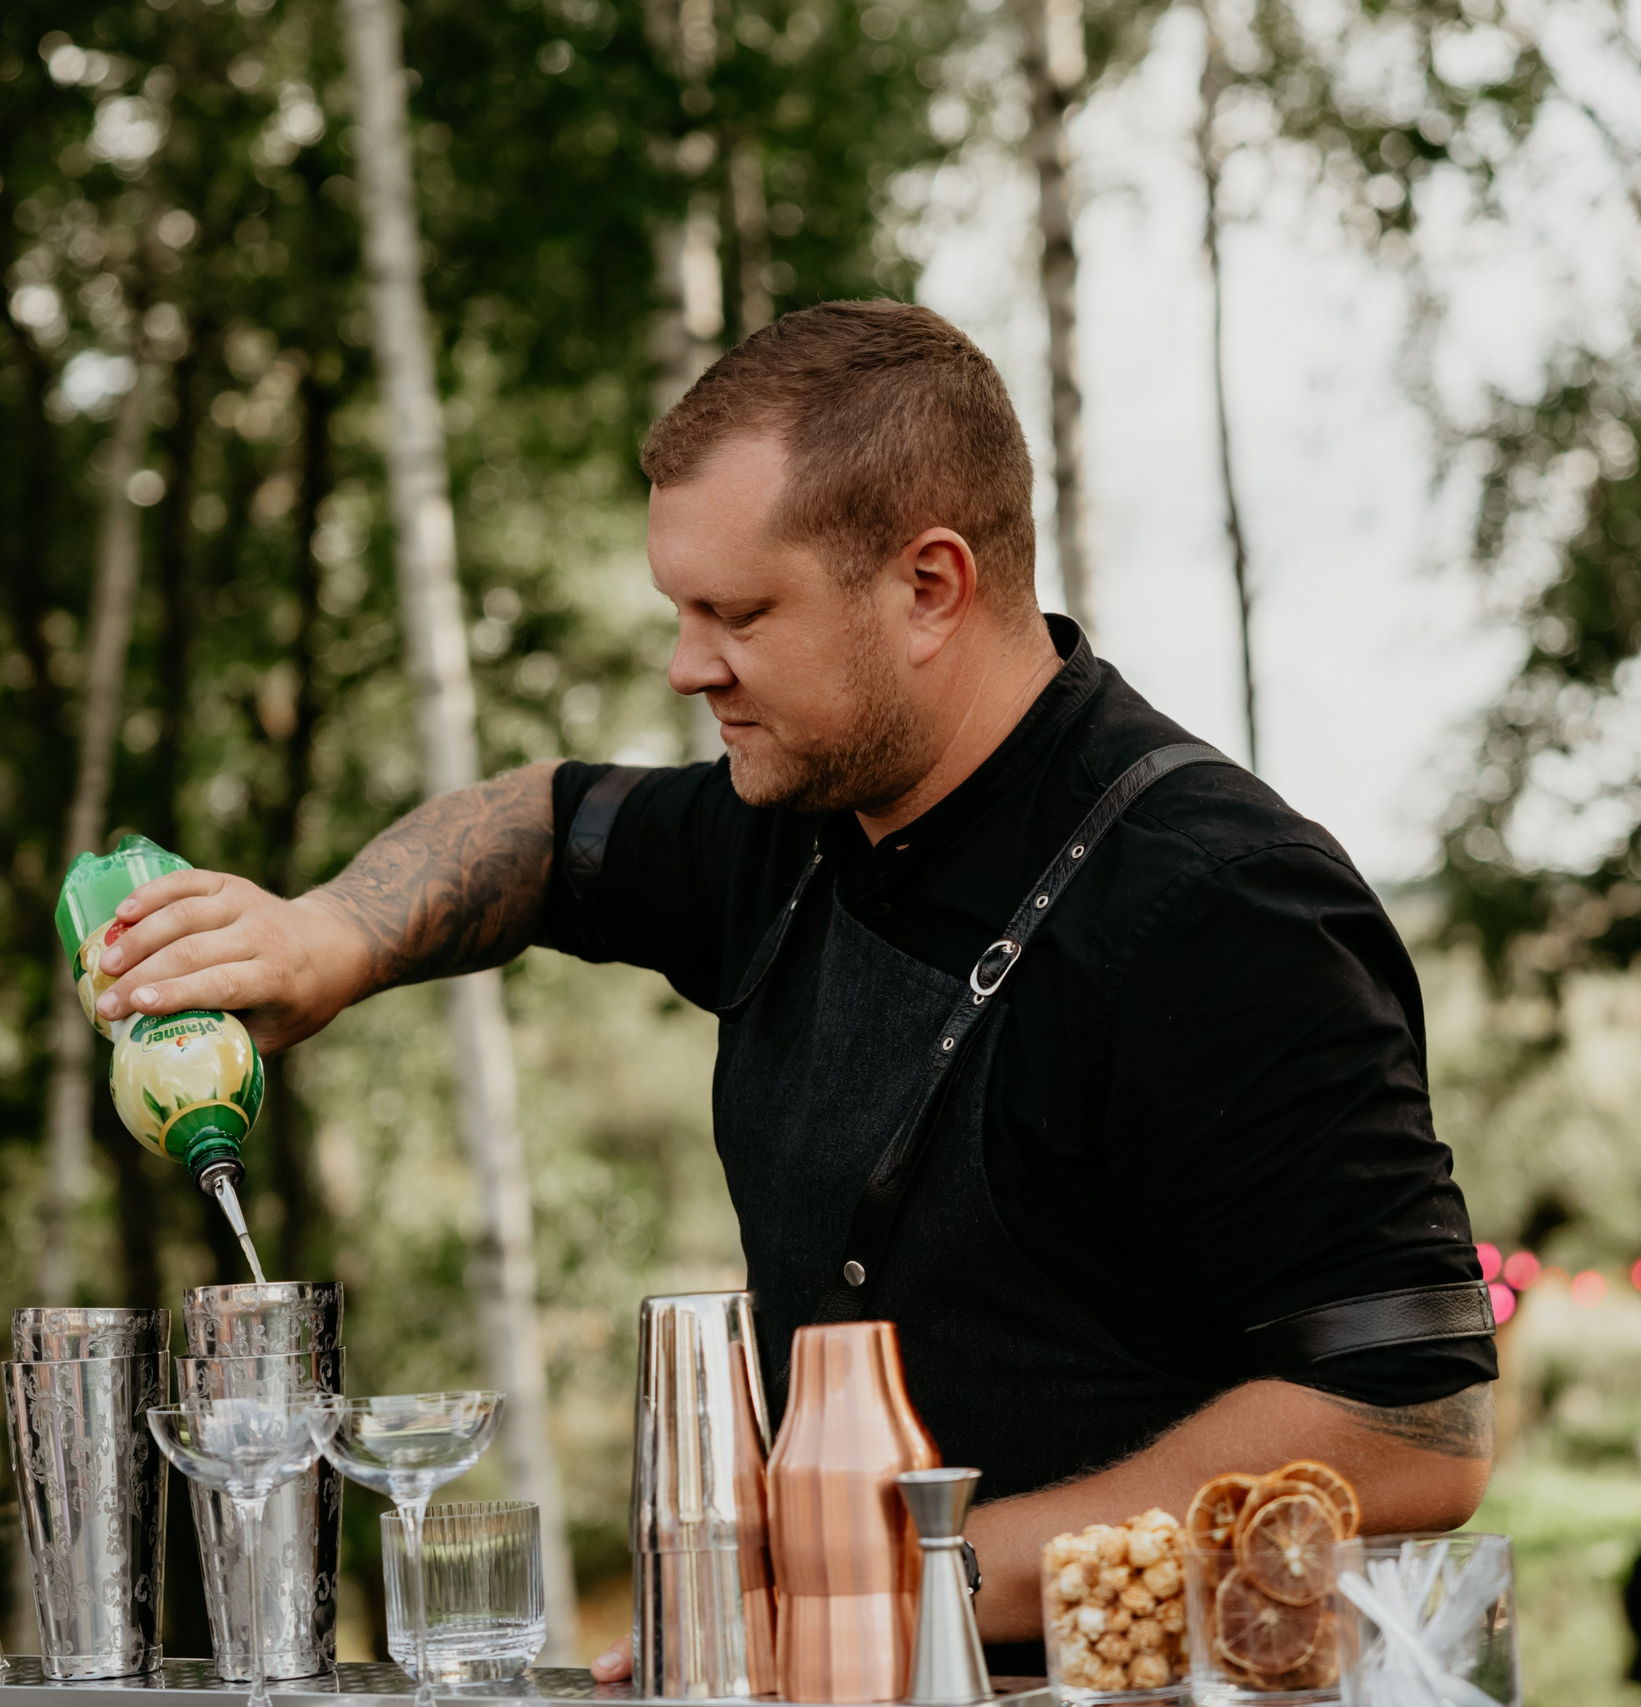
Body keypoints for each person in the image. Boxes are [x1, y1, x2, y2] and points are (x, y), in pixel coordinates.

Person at [89, 300, 1498, 1672]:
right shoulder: (792, 823)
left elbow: (1412, 1431)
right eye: (680, 608)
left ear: (930, 587)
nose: (687, 663)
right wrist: (329, 934)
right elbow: (538, 827)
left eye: (739, 613)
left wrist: (889, 1592)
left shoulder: (1220, 906)